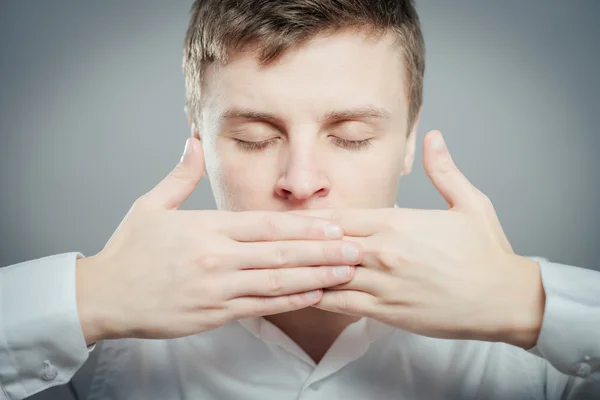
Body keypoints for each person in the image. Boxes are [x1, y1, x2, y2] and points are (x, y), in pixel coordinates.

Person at [1, 0, 599, 399]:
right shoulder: (106, 342)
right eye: (253, 137)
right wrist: (85, 298)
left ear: (409, 138)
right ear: (198, 137)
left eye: (351, 136)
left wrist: (535, 304)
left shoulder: (532, 349)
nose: (301, 179)